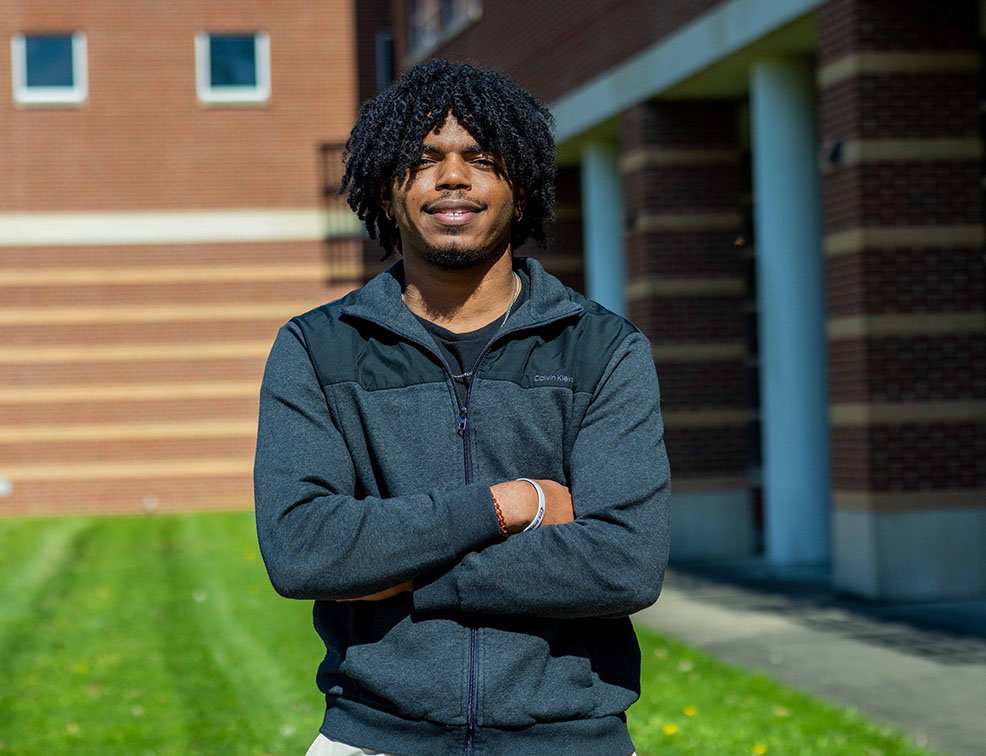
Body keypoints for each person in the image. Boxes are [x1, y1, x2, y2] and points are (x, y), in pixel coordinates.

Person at [254, 59, 671, 756]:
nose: (452, 177)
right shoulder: (318, 350)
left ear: (521, 185)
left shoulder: (602, 350)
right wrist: (509, 505)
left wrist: (395, 573)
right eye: (423, 160)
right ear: (387, 192)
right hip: (373, 735)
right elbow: (303, 551)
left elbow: (626, 561)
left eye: (480, 158)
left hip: (569, 738)